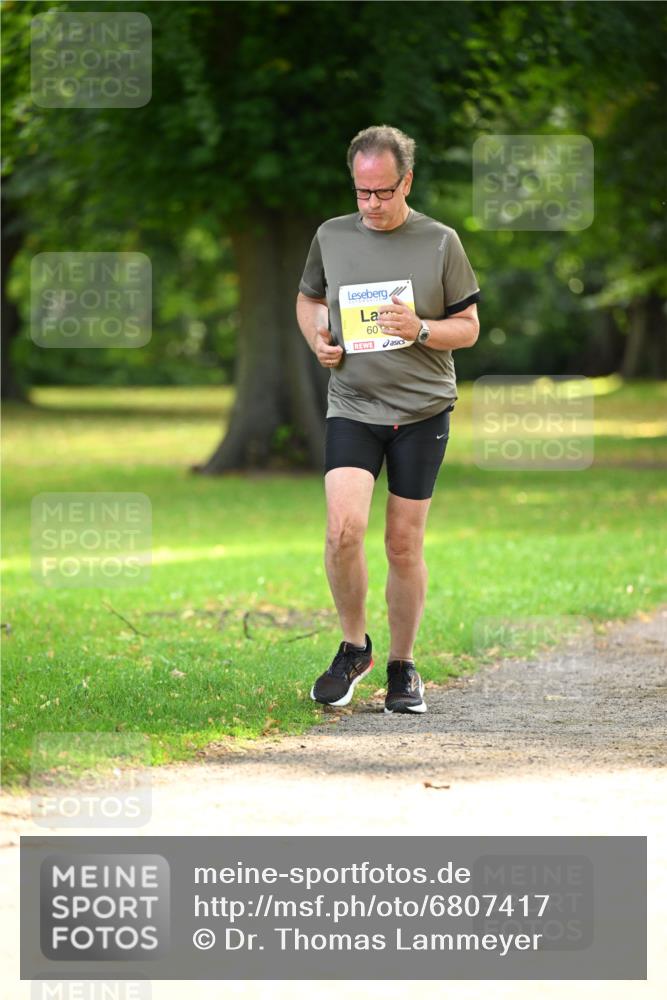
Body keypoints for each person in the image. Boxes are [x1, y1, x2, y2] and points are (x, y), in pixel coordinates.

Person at [296, 125, 480, 715]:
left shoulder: (440, 242)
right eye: (361, 193)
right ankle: (355, 648)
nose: (371, 205)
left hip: (423, 410)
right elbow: (309, 300)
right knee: (341, 530)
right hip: (353, 403)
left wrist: (421, 329)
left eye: (382, 192)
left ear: (407, 181)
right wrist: (318, 340)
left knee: (403, 544)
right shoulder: (330, 236)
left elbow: (469, 327)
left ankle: (403, 666)